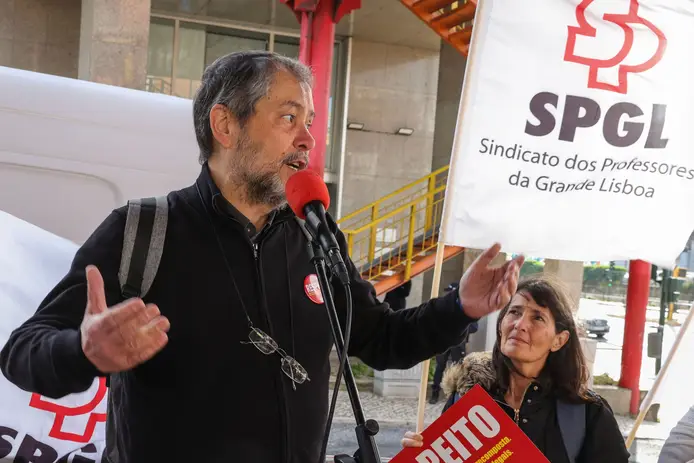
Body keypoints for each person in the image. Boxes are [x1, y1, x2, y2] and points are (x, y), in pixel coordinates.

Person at [0, 51, 525, 463]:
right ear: (225, 126)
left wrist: (460, 307)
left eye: (309, 121)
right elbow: (22, 352)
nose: (307, 139)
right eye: (288, 118)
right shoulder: (142, 230)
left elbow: (382, 338)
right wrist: (82, 352)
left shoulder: (315, 234)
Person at [401, 275, 630, 463]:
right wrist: (420, 455)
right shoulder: (466, 398)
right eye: (515, 312)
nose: (520, 325)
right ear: (501, 324)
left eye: (537, 318)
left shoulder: (587, 413)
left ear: (559, 340)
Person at [430, 282, 479, 404]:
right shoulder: (443, 307)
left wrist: (461, 326)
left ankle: (457, 395)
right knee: (440, 367)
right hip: (443, 342)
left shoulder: (467, 308)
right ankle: (435, 393)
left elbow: (474, 327)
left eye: (450, 292)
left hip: (458, 344)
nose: (448, 294)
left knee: (459, 369)